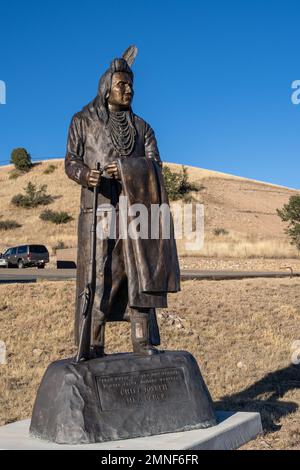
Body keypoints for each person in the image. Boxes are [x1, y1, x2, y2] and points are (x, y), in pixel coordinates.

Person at [65, 46, 180, 357]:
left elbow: (156, 166)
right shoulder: (82, 121)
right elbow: (70, 161)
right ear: (107, 88)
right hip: (97, 210)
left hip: (136, 211)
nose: (129, 89)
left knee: (139, 273)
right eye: (122, 84)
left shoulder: (142, 129)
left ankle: (142, 340)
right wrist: (85, 175)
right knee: (96, 277)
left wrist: (129, 169)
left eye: (131, 85)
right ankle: (92, 343)